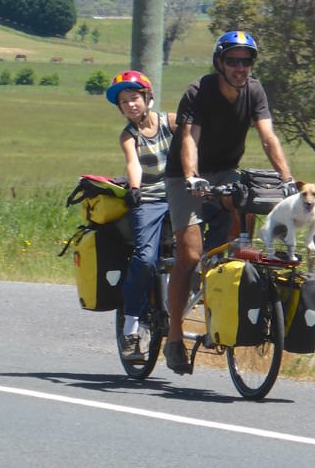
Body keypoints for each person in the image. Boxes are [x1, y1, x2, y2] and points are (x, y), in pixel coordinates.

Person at [162, 30, 296, 374]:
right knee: (190, 254)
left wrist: (286, 179)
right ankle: (174, 336)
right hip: (185, 176)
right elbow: (190, 139)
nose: (241, 68)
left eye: (246, 61)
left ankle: (222, 305)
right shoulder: (199, 91)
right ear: (219, 62)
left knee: (241, 244)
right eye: (233, 61)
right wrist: (192, 177)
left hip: (226, 171)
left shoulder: (255, 91)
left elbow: (268, 136)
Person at [105, 70, 176, 361]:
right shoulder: (128, 135)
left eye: (134, 98)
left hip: (180, 196)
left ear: (148, 97)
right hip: (149, 199)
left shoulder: (171, 122)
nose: (130, 105)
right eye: (124, 102)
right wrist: (134, 188)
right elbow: (133, 162)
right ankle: (131, 327)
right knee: (145, 259)